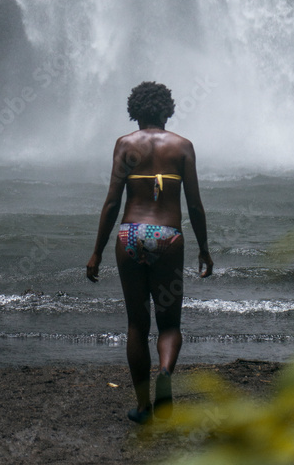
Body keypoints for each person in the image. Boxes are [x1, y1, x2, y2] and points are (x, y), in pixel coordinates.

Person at [86, 80, 213, 423]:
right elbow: (195, 206)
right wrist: (204, 249)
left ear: (135, 111)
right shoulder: (183, 147)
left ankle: (143, 408)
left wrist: (97, 251)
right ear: (167, 110)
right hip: (168, 237)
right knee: (169, 324)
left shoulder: (125, 145)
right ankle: (166, 372)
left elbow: (112, 202)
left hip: (130, 235)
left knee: (137, 325)